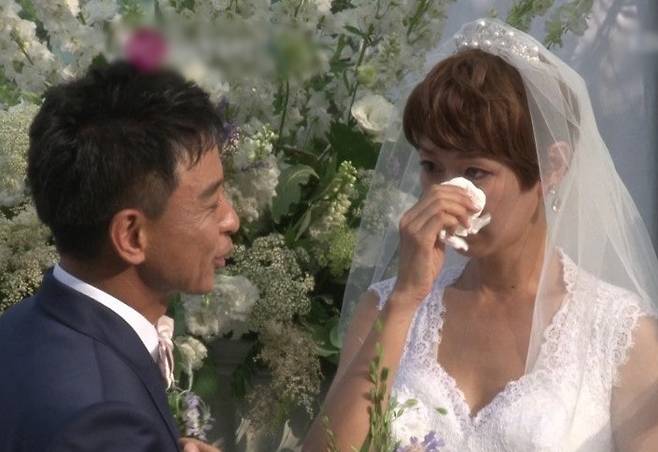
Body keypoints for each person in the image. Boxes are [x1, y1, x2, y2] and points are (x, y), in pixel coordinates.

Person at [305, 18, 658, 451]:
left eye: (475, 171)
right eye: (431, 166)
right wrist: (405, 300)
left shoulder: (620, 332)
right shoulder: (386, 307)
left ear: (552, 168)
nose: (447, 194)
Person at [0, 61, 239, 451]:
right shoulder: (102, 422)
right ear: (131, 235)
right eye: (211, 202)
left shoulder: (21, 326)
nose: (231, 219)